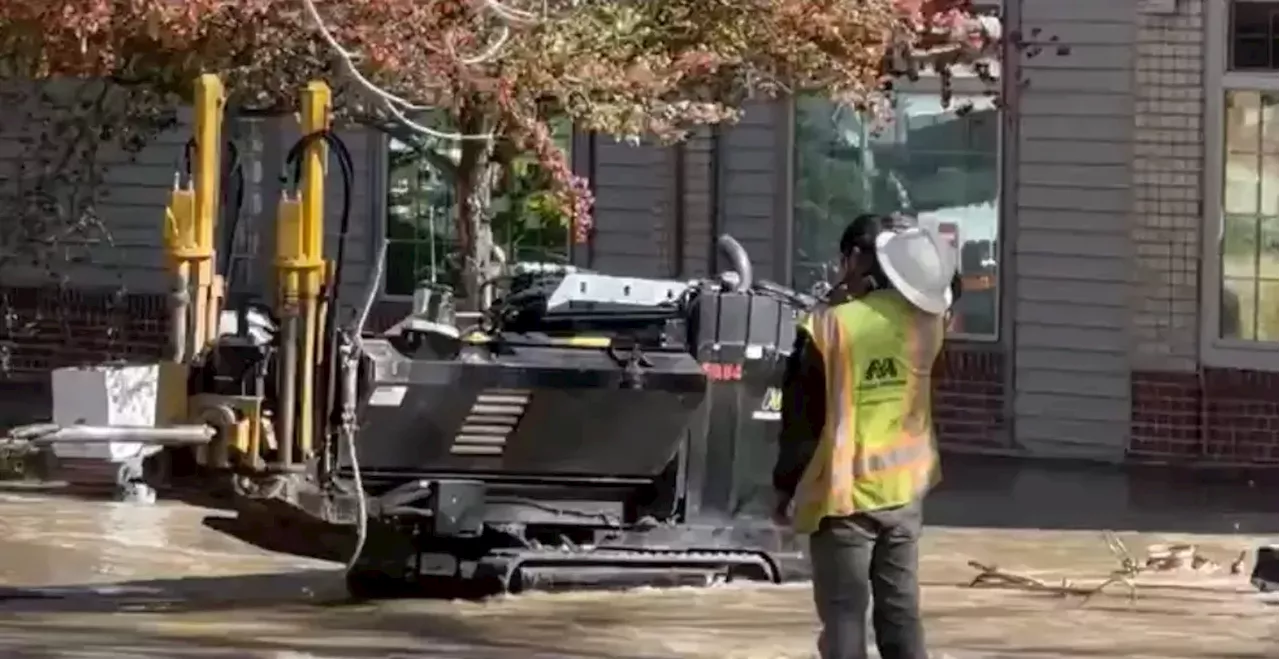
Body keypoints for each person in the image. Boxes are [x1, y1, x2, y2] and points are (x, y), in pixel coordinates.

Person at [772, 213, 954, 659]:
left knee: (844, 615)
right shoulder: (929, 323)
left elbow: (799, 423)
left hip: (844, 499)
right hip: (906, 492)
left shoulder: (827, 328)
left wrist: (784, 489)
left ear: (854, 259)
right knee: (901, 614)